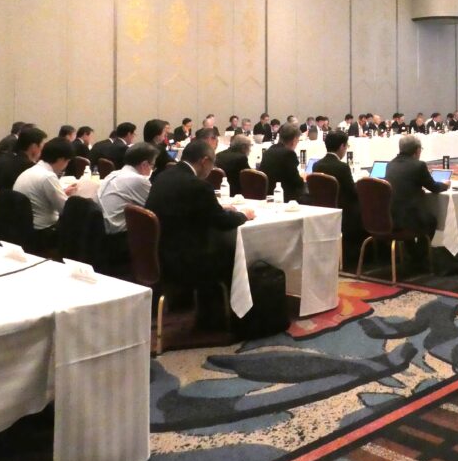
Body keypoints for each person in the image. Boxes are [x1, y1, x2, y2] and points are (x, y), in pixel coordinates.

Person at [145, 140, 251, 328]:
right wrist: (244, 215)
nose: (211, 169)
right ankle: (230, 318)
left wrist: (219, 208)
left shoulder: (162, 177)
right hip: (186, 260)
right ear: (204, 161)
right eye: (212, 164)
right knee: (237, 254)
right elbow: (222, 222)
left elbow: (190, 209)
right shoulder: (198, 186)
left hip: (159, 253)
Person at [98, 142, 158, 257]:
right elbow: (155, 205)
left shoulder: (113, 174)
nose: (152, 169)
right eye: (152, 166)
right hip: (118, 239)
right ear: (144, 164)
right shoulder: (139, 180)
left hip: (102, 233)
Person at [384, 135, 448, 238]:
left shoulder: (390, 164)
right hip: (409, 219)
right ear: (417, 150)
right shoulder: (419, 165)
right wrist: (445, 185)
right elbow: (434, 188)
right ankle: (422, 248)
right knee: (431, 221)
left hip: (391, 216)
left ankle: (410, 246)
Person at [13, 137, 77, 236]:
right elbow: (65, 209)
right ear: (61, 159)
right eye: (67, 162)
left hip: (24, 226)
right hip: (43, 231)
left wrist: (63, 192)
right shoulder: (48, 177)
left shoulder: (32, 170)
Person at [312, 130, 363, 248]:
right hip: (343, 212)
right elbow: (352, 192)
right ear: (342, 146)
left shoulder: (316, 165)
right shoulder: (342, 167)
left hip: (322, 210)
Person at [0, 126, 46, 192]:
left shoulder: (0, 159)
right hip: (5, 198)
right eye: (42, 145)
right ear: (34, 147)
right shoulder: (29, 168)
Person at [258, 122, 308, 202]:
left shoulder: (269, 150)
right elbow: (296, 182)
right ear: (294, 140)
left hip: (268, 194)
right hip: (285, 196)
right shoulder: (289, 154)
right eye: (298, 140)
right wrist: (303, 178)